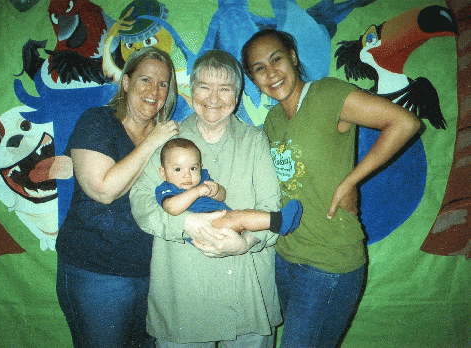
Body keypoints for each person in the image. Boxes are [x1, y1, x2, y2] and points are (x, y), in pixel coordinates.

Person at [241, 29, 421, 348]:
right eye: (258, 68)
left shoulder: (327, 94)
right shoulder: (271, 120)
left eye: (276, 59)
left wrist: (352, 181)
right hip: (285, 257)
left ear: (293, 58)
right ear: (253, 79)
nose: (270, 73)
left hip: (329, 263)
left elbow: (405, 123)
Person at [130, 50, 283, 347]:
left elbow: (270, 208)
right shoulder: (167, 138)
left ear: (237, 95)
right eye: (204, 86)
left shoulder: (255, 140)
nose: (214, 98)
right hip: (183, 297)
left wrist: (246, 242)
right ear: (191, 90)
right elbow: (141, 200)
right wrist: (186, 224)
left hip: (247, 294)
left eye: (225, 88)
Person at [55, 47, 179, 348]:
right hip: (97, 274)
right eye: (146, 79)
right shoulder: (98, 121)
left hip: (153, 275)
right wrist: (153, 142)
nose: (154, 91)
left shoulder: (169, 140)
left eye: (163, 84)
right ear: (126, 82)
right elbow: (103, 190)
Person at [156, 137, 303, 235]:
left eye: (193, 168)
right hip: (206, 227)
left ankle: (280, 221)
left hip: (223, 219)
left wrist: (216, 190)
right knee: (240, 217)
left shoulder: (203, 179)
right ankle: (279, 222)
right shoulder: (167, 188)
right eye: (177, 169)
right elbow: (172, 208)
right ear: (163, 173)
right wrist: (198, 191)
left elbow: (223, 196)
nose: (187, 175)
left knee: (243, 213)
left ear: (200, 167)